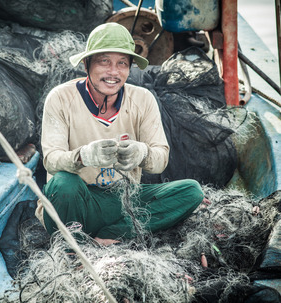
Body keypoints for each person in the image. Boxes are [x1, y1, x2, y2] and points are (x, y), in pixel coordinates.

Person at [35, 22, 204, 246]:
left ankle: (114, 232)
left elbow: (160, 159)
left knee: (191, 191)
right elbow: (51, 161)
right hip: (76, 203)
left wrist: (142, 153)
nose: (113, 72)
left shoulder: (143, 99)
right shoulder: (60, 98)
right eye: (104, 61)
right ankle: (72, 244)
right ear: (87, 64)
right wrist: (83, 156)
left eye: (122, 63)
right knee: (64, 182)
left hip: (123, 201)